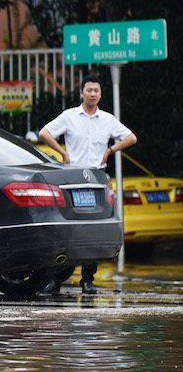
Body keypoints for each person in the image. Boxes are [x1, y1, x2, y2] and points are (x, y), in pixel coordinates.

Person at [39, 72, 137, 294]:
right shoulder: (70, 116)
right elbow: (45, 132)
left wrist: (111, 150)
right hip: (73, 178)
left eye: (96, 90)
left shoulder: (107, 120)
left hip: (97, 179)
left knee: (93, 230)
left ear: (101, 94)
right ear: (82, 92)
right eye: (89, 90)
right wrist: (62, 153)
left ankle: (87, 280)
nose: (92, 94)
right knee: (70, 230)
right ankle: (57, 278)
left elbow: (131, 137)